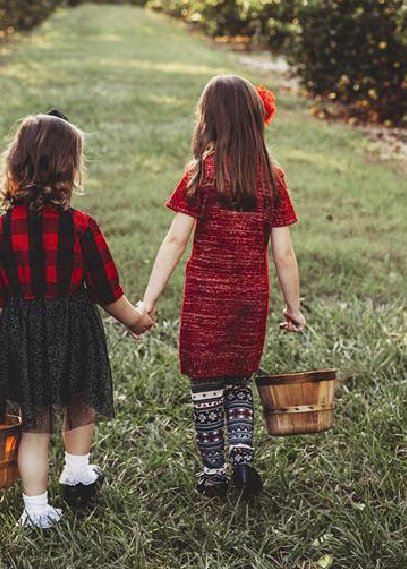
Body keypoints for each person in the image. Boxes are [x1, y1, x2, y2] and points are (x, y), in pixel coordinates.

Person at [0, 112, 152, 528]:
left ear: (17, 166)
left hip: (21, 333)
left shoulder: (0, 230)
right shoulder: (81, 227)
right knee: (80, 399)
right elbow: (107, 291)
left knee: (33, 424)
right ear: (68, 169)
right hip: (73, 328)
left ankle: (35, 508)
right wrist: (136, 319)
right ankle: (77, 469)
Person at [141, 76, 305, 498]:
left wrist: (150, 298)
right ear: (255, 119)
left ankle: (214, 473)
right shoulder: (272, 177)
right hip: (250, 299)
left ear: (210, 120)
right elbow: (284, 253)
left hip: (205, 301)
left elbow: (176, 240)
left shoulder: (202, 174)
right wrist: (294, 307)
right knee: (239, 381)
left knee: (206, 386)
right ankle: (243, 459)